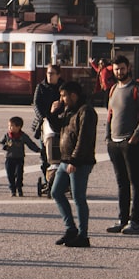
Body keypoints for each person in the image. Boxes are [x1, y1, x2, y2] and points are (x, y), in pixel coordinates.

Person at [46, 80, 98, 248]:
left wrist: (75, 160)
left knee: (79, 198)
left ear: (73, 95)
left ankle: (83, 236)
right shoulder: (69, 110)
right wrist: (52, 114)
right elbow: (58, 126)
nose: (61, 99)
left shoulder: (86, 112)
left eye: (64, 96)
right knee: (56, 192)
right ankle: (71, 229)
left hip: (79, 162)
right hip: (65, 160)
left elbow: (85, 138)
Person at [105, 55, 139, 235]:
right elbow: (110, 115)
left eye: (122, 68)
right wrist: (108, 138)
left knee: (135, 183)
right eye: (116, 69)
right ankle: (122, 219)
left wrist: (135, 137)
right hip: (115, 143)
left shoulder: (138, 89)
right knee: (121, 183)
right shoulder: (114, 89)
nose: (119, 72)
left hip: (132, 143)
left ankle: (135, 222)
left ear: (129, 67)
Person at [30, 64, 63, 189]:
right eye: (48, 73)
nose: (49, 75)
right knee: (45, 154)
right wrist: (45, 116)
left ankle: (61, 180)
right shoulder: (41, 87)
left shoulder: (63, 87)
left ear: (58, 75)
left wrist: (59, 112)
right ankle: (47, 179)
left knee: (61, 154)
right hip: (45, 123)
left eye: (52, 73)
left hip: (60, 123)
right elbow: (36, 105)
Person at [0, 116, 40, 197]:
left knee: (19, 174)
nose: (9, 128)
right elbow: (0, 142)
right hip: (9, 158)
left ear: (18, 127)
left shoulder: (22, 136)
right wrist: (3, 147)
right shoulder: (7, 135)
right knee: (10, 174)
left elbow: (30, 143)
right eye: (9, 126)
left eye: (11, 126)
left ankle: (19, 187)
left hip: (19, 158)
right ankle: (12, 189)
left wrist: (38, 150)